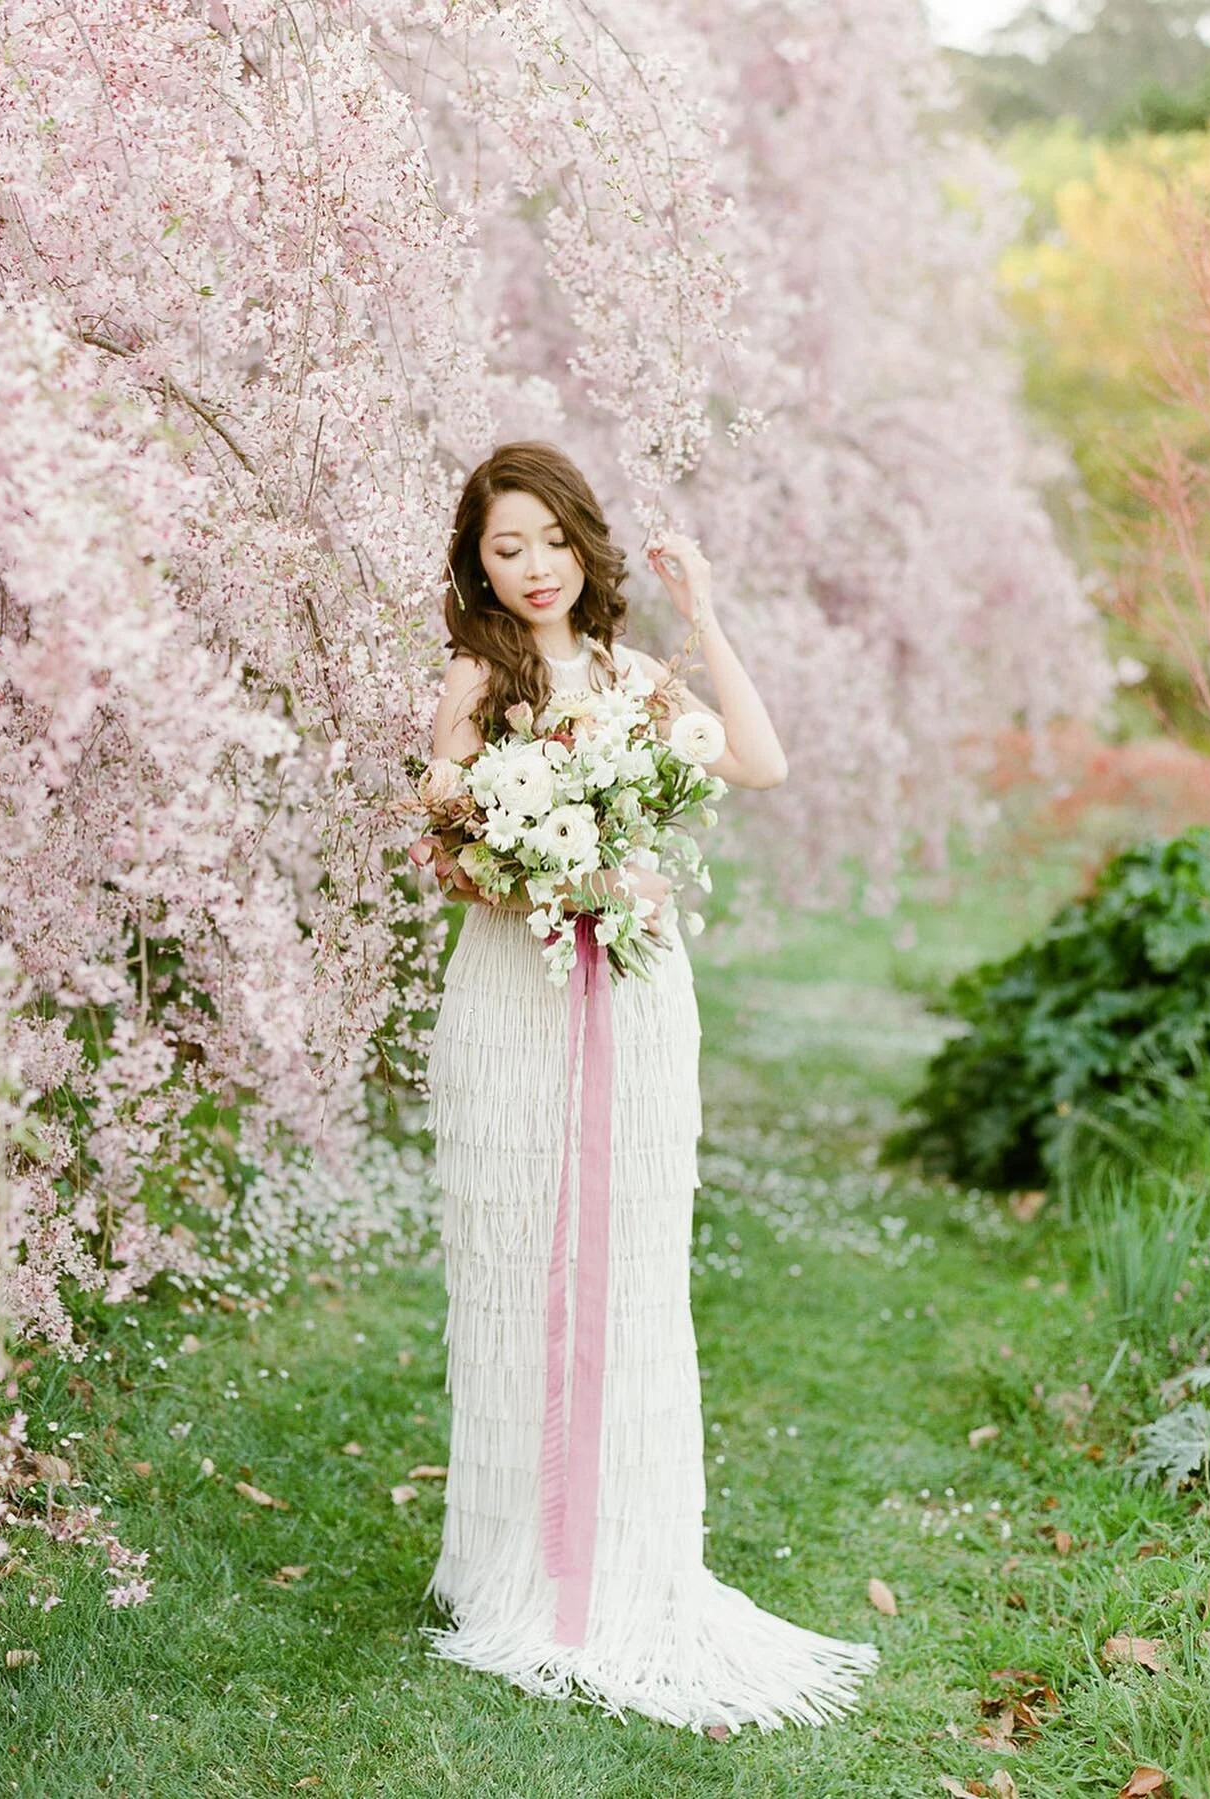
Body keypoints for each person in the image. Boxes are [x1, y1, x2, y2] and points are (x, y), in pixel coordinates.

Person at [417, 440, 879, 1733]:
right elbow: (449, 853)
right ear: (478, 563)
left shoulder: (631, 676)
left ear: (585, 543)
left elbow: (761, 761)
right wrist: (554, 874)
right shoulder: (473, 680)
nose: (534, 568)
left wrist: (709, 620)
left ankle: (621, 1552)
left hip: (633, 993)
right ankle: (511, 1558)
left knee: (627, 1266)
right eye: (505, 548)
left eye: (551, 540)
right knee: (512, 1262)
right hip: (513, 1001)